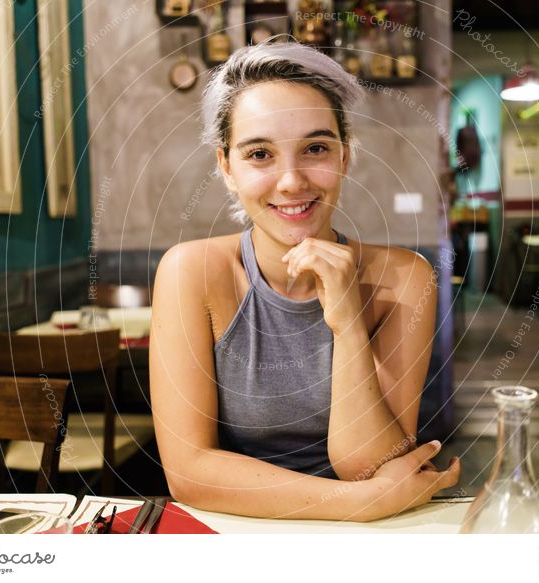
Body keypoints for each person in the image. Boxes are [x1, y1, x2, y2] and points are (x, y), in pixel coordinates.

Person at [150, 40, 459, 521]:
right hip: (241, 531)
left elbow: (363, 464)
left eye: (315, 148)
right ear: (226, 167)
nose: (292, 181)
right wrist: (362, 503)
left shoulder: (406, 278)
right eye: (259, 154)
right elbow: (189, 473)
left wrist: (348, 323)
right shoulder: (189, 273)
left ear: (344, 158)